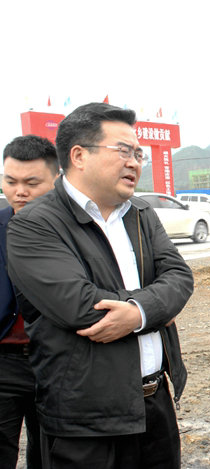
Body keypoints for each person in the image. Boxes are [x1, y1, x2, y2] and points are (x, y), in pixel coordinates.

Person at [6, 103, 193, 469]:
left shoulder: (140, 213)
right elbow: (80, 305)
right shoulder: (35, 224)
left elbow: (179, 276)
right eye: (123, 151)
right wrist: (157, 308)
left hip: (155, 404)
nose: (135, 162)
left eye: (138, 154)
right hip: (86, 418)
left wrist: (140, 312)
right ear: (79, 155)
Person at [0, 135, 59, 468]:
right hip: (4, 360)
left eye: (31, 183)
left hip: (55, 361)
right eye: (11, 182)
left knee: (52, 454)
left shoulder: (75, 231)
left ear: (56, 180)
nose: (19, 192)